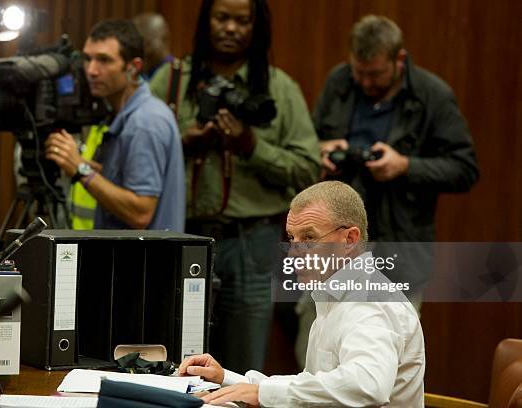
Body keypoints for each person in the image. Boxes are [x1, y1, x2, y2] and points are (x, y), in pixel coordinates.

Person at [294, 14, 480, 366]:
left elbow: (465, 168)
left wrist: (405, 166)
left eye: (375, 75)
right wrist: (321, 150)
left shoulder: (433, 95)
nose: (365, 82)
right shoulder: (340, 82)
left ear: (399, 60)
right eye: (358, 73)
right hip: (334, 244)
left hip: (400, 248)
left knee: (383, 358)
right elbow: (309, 141)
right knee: (316, 350)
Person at [150, 0, 321, 373]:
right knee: (176, 359)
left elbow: (309, 170)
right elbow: (139, 154)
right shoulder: (173, 81)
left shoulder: (279, 87)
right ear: (206, 22)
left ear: (256, 26)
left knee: (244, 365)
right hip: (182, 239)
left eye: (242, 21)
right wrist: (184, 142)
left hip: (252, 242)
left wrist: (252, 148)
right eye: (222, 18)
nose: (230, 28)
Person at [179, 181, 425, 407]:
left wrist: (261, 393)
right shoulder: (337, 293)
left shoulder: (369, 303)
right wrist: (226, 379)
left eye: (309, 238)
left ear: (349, 239)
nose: (293, 253)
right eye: (291, 238)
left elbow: (368, 384)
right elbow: (317, 388)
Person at [46, 19, 185, 232]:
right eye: (87, 59)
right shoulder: (126, 114)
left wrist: (80, 169)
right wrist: (86, 165)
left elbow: (140, 213)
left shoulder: (145, 121)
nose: (91, 70)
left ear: (133, 67)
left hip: (147, 263)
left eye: (104, 60)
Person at [132, 12, 174, 80]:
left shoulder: (174, 73)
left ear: (164, 39)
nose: (142, 47)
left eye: (147, 41)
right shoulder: (140, 69)